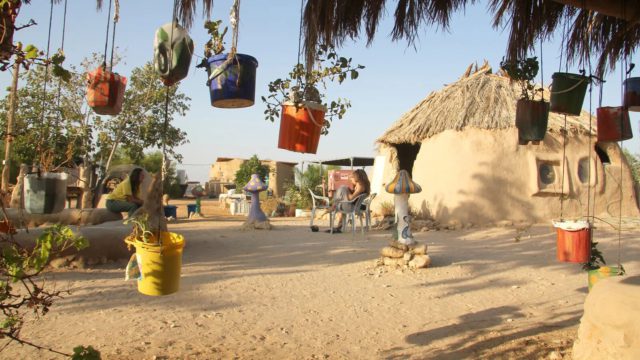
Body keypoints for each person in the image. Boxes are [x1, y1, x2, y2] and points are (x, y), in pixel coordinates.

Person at [326, 169, 370, 233]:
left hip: (352, 208)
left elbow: (350, 198)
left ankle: (334, 207)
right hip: (353, 206)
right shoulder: (362, 186)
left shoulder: (360, 187)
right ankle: (338, 224)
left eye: (352, 179)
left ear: (357, 178)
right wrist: (349, 191)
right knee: (342, 191)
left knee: (343, 188)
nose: (351, 181)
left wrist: (346, 191)